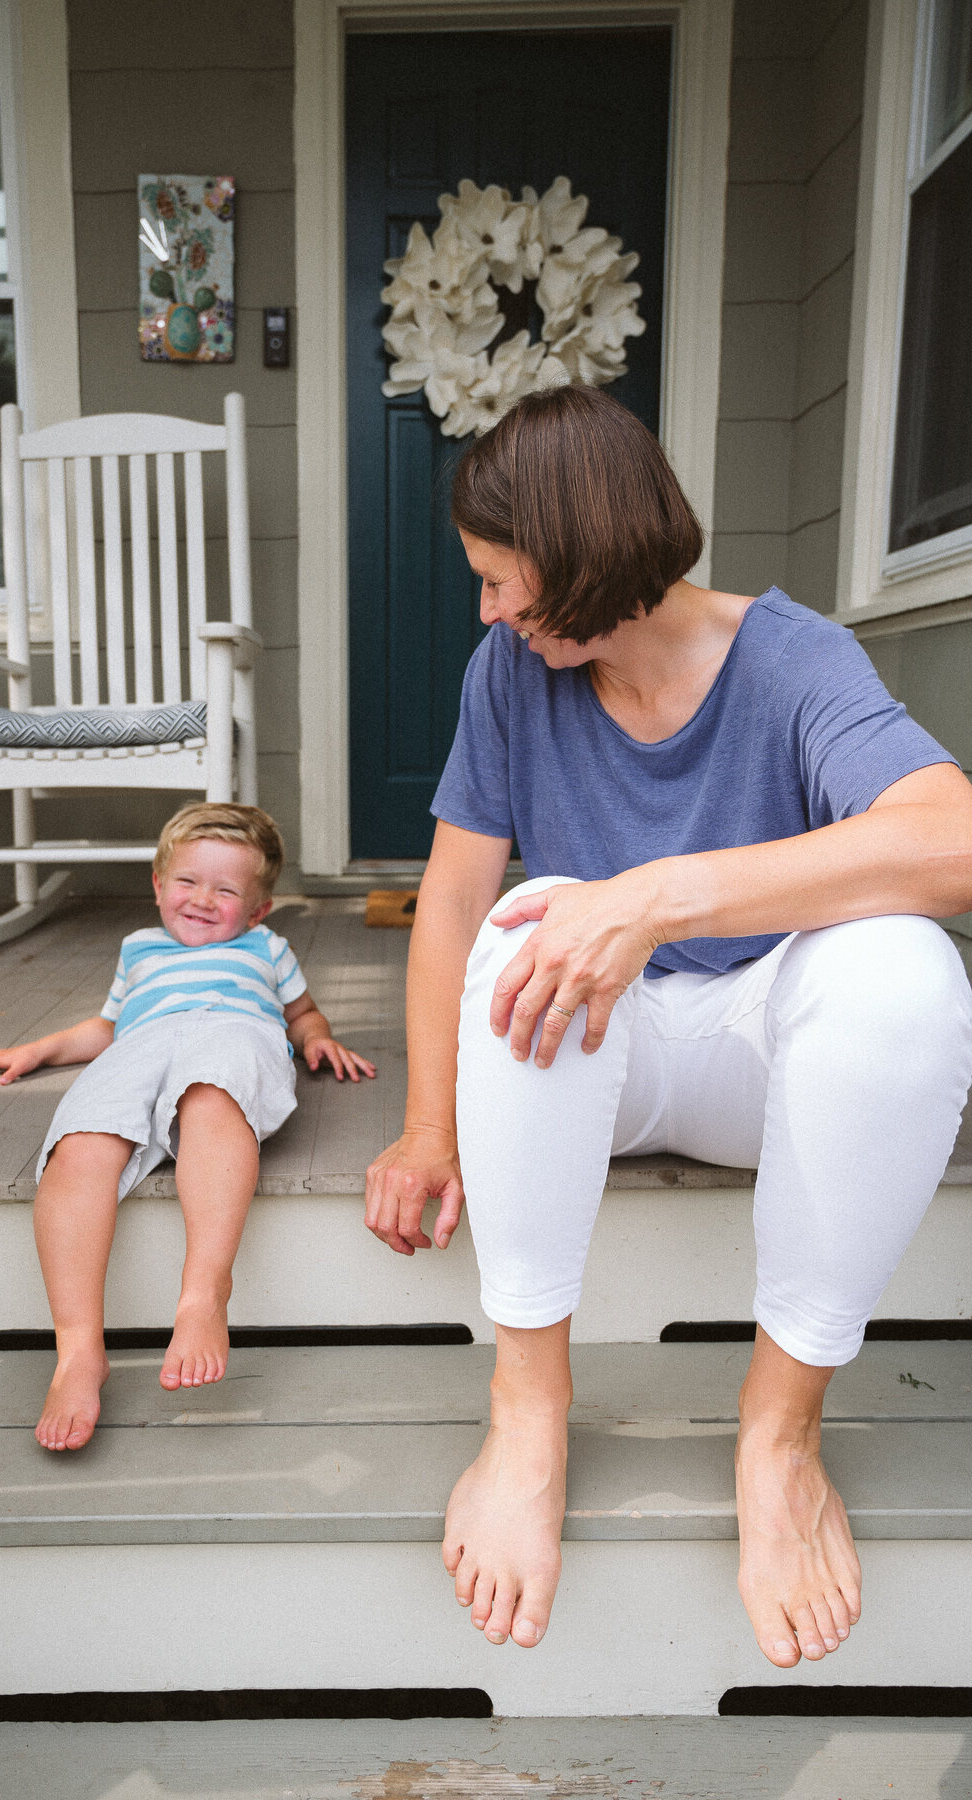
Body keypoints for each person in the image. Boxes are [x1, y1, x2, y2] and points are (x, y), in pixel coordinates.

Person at [364, 384, 972, 1670]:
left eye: (500, 581)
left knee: (906, 964)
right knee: (525, 920)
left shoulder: (794, 657)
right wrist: (426, 1128)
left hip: (771, 1061)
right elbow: (454, 903)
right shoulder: (509, 676)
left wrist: (657, 896)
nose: (488, 612)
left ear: (584, 556)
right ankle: (527, 1415)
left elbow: (955, 840)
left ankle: (781, 1438)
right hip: (598, 1061)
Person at [0, 801, 375, 1452]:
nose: (202, 899)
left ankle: (202, 1295)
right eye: (187, 881)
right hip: (143, 1042)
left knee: (213, 1100)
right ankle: (78, 1351)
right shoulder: (139, 948)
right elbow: (108, 1026)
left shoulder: (266, 949)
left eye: (226, 890)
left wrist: (317, 1039)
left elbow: (302, 1013)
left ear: (258, 909)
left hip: (234, 1031)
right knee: (81, 1144)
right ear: (159, 885)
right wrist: (41, 1050)